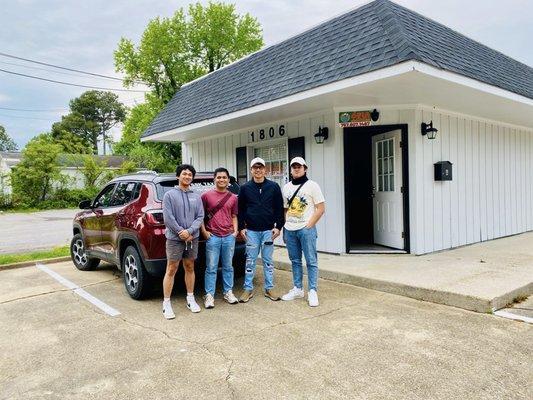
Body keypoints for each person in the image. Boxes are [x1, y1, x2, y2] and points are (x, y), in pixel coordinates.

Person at [238, 157, 284, 302]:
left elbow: (279, 208)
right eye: (255, 168)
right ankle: (248, 289)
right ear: (251, 170)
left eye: (261, 167)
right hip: (251, 231)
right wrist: (241, 228)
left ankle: (269, 288)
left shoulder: (274, 187)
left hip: (268, 231)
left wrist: (279, 227)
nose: (258, 170)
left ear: (265, 169)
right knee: (250, 261)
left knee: (268, 261)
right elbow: (240, 210)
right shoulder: (244, 188)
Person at [162, 164, 204, 319]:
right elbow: (168, 217)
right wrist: (181, 232)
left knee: (190, 266)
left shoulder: (196, 196)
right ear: (178, 176)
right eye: (184, 174)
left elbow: (200, 216)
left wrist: (190, 231)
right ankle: (166, 303)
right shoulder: (170, 195)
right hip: (175, 238)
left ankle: (190, 298)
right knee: (171, 268)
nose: (187, 176)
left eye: (190, 174)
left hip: (192, 237)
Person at [281, 157, 325, 307]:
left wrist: (309, 225)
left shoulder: (312, 186)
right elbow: (285, 208)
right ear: (291, 169)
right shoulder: (286, 187)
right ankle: (298, 288)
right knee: (295, 261)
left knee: (311, 261)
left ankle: (312, 290)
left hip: (306, 229)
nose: (296, 169)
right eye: (294, 166)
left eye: (299, 166)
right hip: (290, 229)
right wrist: (285, 226)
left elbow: (321, 208)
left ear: (305, 168)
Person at [200, 167, 240, 309]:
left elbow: (234, 216)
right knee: (211, 267)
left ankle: (228, 292)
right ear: (214, 179)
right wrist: (204, 232)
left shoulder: (233, 197)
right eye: (219, 177)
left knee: (228, 267)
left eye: (224, 177)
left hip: (229, 236)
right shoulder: (206, 196)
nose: (221, 179)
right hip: (213, 237)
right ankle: (209, 295)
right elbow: (201, 217)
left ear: (228, 180)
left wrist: (235, 231)